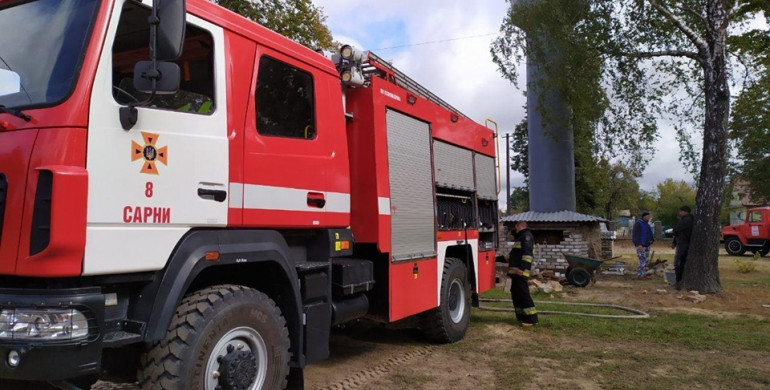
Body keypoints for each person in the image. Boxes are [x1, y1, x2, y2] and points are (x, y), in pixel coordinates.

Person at [508, 221, 538, 326]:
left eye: (516, 226)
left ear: (519, 226)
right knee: (516, 294)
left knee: (523, 294)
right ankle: (521, 316)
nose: (515, 229)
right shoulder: (520, 237)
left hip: (520, 272)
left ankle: (531, 319)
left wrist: (522, 268)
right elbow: (512, 256)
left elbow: (528, 255)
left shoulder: (526, 237)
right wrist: (496, 258)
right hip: (516, 273)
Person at [672, 206, 694, 289]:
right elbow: (678, 232)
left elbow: (676, 230)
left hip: (684, 243)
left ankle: (678, 281)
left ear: (686, 212)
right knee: (681, 262)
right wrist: (674, 242)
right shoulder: (686, 219)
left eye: (681, 211)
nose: (679, 213)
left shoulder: (687, 220)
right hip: (682, 242)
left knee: (679, 263)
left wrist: (674, 231)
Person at [632, 211, 654, 279]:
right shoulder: (638, 224)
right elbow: (635, 235)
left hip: (646, 245)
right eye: (647, 216)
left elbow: (650, 234)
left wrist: (651, 241)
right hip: (640, 245)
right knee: (642, 259)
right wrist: (638, 244)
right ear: (643, 216)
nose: (648, 217)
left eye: (649, 216)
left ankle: (643, 274)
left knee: (646, 260)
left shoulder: (647, 225)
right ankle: (639, 274)